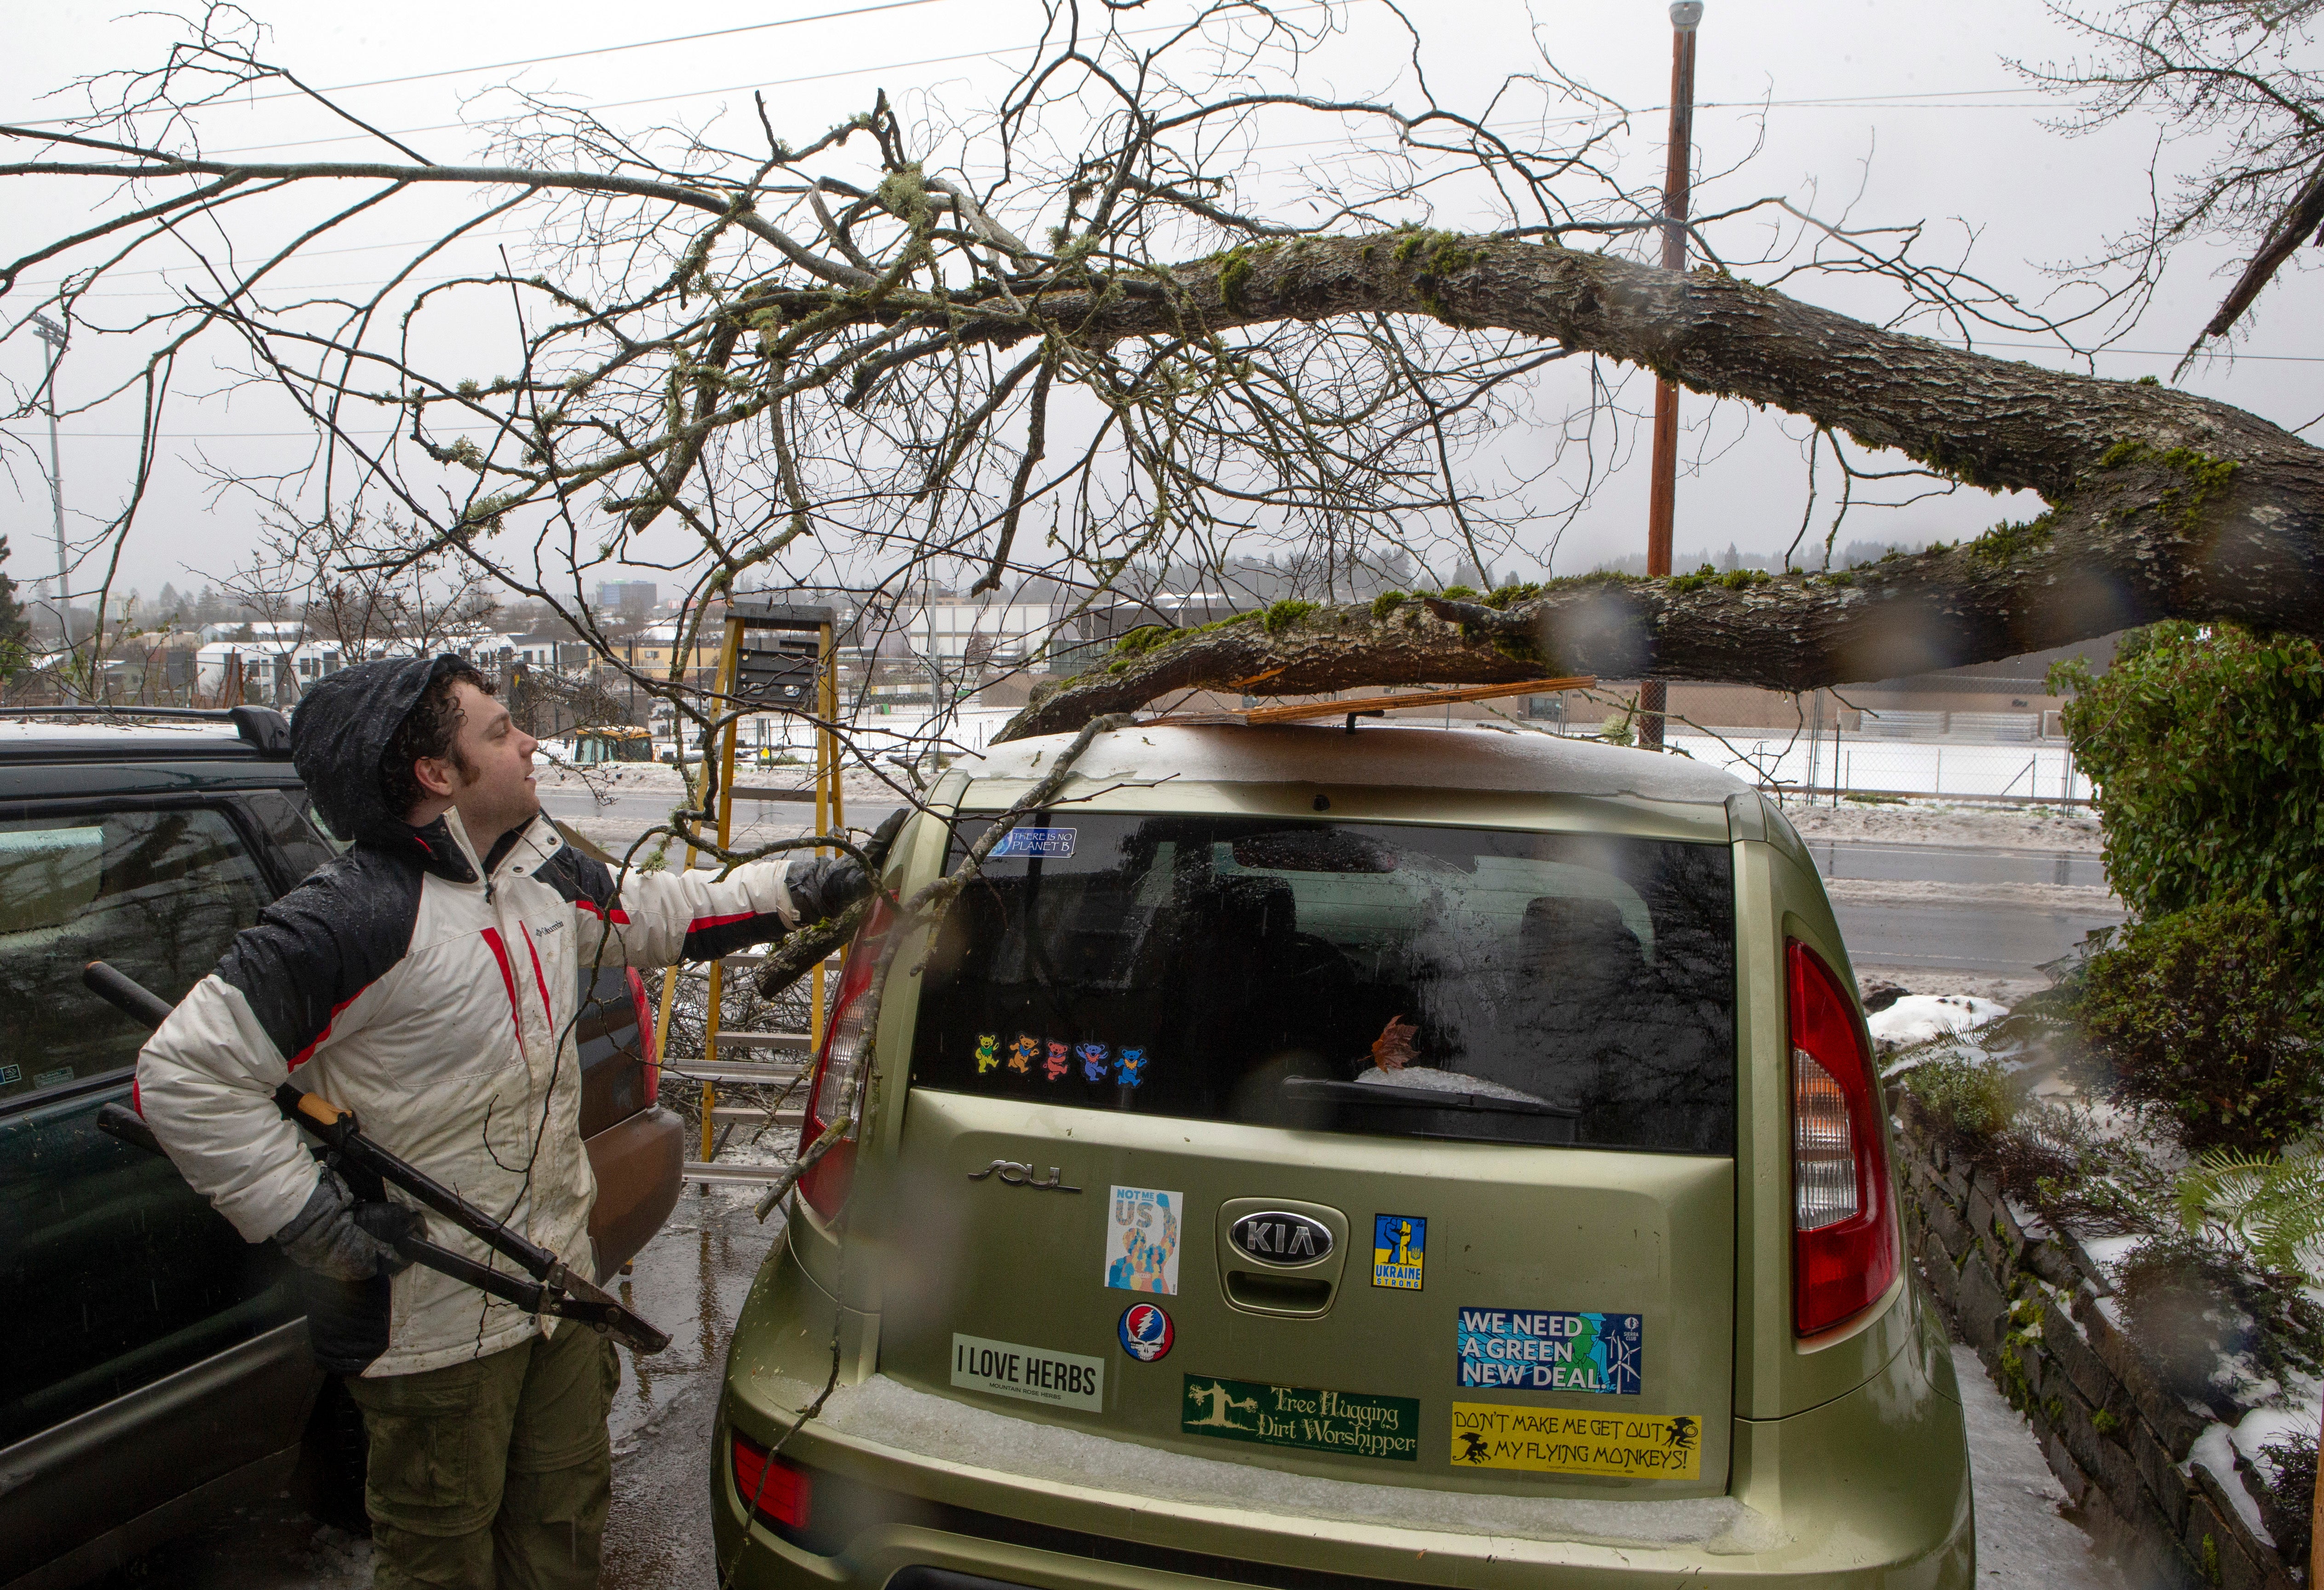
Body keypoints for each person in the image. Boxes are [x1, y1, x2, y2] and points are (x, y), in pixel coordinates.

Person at [137, 655, 875, 1590]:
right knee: (442, 1559)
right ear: (435, 776)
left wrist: (800, 888)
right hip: (431, 1326)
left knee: (561, 1534)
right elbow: (183, 1073)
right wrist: (313, 1221)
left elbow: (649, 915)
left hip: (555, 1290)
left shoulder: (535, 875)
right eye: (498, 731)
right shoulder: (348, 922)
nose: (529, 742)